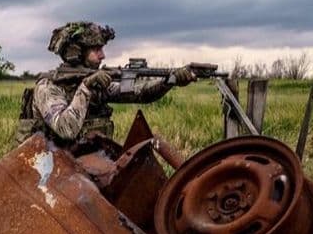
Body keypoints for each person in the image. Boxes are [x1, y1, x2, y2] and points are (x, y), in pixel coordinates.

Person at [16, 21, 196, 145]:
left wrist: (170, 80)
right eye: (96, 50)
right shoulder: (48, 87)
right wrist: (85, 88)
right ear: (76, 52)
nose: (103, 56)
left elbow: (139, 93)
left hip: (80, 163)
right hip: (47, 172)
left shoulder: (96, 83)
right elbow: (66, 129)